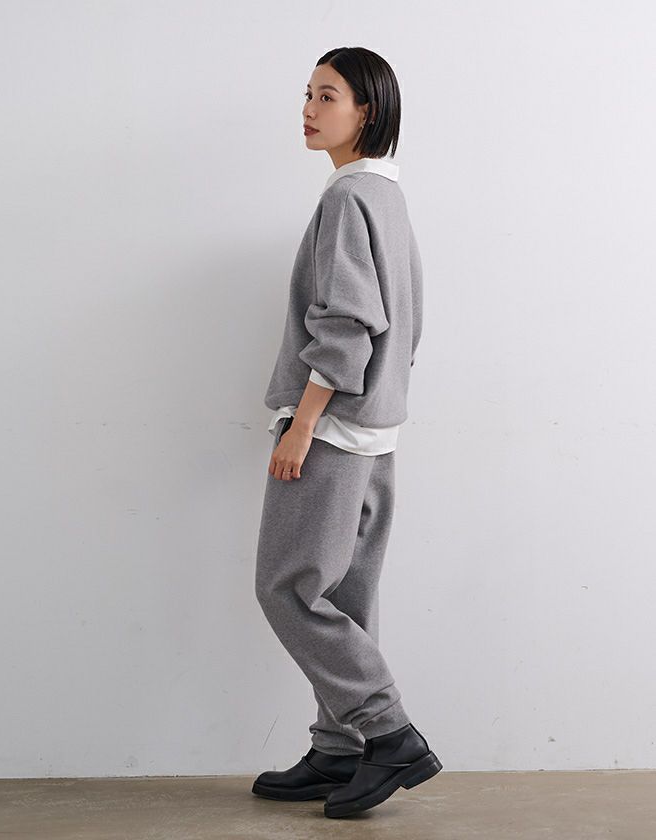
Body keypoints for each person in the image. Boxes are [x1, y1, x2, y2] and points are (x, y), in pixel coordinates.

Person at [252, 46, 442, 819]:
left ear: (367, 110)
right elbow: (406, 323)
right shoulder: (386, 196)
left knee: (288, 588)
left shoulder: (348, 199)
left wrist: (302, 425)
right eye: (307, 93)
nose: (308, 109)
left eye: (326, 96)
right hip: (376, 430)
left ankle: (388, 731)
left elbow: (348, 324)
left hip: (332, 428)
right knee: (346, 594)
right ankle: (341, 747)